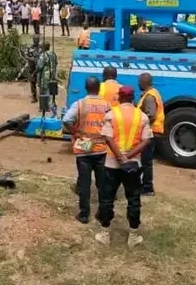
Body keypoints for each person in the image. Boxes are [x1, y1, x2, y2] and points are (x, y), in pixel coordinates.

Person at [96, 85, 152, 247]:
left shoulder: (111, 114)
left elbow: (108, 137)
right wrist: (129, 156)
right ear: (133, 98)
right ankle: (133, 235)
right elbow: (146, 140)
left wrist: (120, 156)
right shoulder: (141, 117)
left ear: (119, 97)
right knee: (133, 199)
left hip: (112, 163)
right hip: (133, 164)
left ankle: (105, 233)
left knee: (107, 198)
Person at [62, 76, 109, 224]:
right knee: (102, 184)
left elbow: (66, 120)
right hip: (101, 148)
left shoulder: (80, 104)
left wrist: (75, 132)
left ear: (86, 88)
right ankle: (102, 213)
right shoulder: (107, 105)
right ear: (99, 88)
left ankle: (84, 214)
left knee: (84, 182)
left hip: (84, 147)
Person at [137, 73, 164, 196]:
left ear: (144, 83)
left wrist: (140, 124)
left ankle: (147, 188)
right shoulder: (152, 93)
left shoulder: (149, 97)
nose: (138, 84)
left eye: (139, 81)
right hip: (151, 131)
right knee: (145, 160)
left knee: (146, 161)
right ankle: (144, 185)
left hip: (150, 132)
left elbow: (151, 115)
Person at [36, 41, 58, 107]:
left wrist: (35, 72)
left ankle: (45, 106)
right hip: (53, 75)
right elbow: (56, 63)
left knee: (44, 91)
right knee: (51, 89)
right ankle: (52, 103)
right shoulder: (53, 54)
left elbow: (39, 66)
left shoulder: (43, 55)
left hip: (44, 76)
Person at [26, 35, 41, 103]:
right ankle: (34, 97)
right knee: (32, 82)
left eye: (38, 39)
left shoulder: (41, 48)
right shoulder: (29, 47)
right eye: (35, 39)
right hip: (32, 67)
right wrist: (31, 59)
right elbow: (26, 56)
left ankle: (42, 97)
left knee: (41, 83)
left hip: (40, 67)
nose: (36, 41)